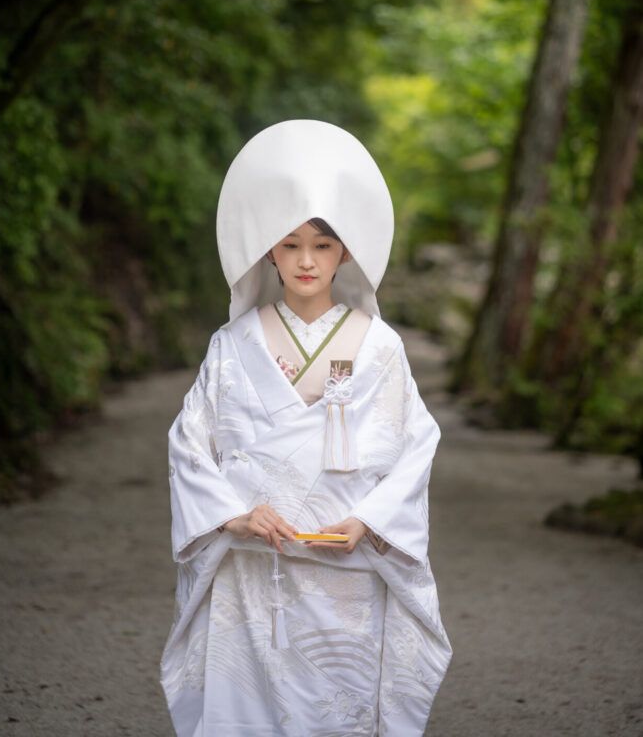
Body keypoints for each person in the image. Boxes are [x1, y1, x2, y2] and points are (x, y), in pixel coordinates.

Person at [160, 119, 451, 737]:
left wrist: (371, 522)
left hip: (342, 560)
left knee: (336, 708)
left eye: (321, 245)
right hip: (252, 558)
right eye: (290, 245)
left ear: (344, 252)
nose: (306, 260)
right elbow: (190, 441)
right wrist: (231, 514)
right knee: (248, 710)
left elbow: (416, 442)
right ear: (269, 251)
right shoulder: (232, 343)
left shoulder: (380, 345)